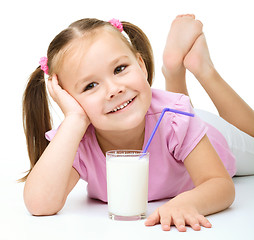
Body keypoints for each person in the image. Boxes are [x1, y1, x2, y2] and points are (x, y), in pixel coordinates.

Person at [21, 14, 254, 232]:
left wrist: (186, 203)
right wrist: (74, 120)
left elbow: (220, 184)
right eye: (90, 86)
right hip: (171, 118)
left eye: (120, 69)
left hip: (210, 135)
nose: (114, 90)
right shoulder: (76, 139)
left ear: (141, 66)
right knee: (177, 116)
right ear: (68, 99)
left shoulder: (176, 118)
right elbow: (40, 205)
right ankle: (174, 72)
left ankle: (202, 69)